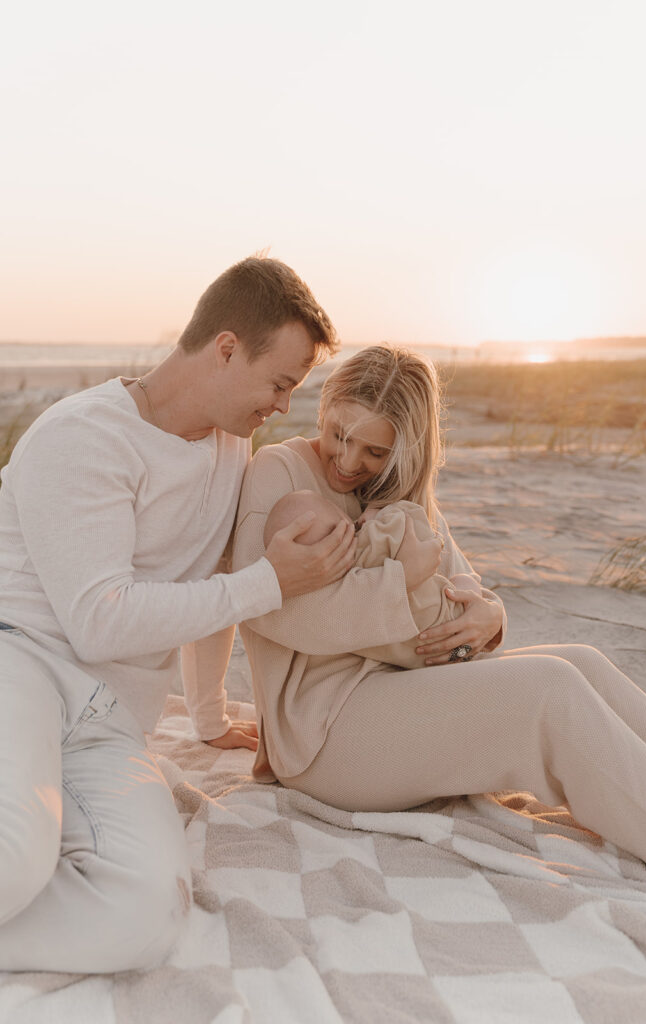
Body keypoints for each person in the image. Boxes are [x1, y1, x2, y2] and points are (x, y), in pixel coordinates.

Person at [232, 344, 646, 886]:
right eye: (340, 434)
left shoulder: (397, 490)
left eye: (374, 450)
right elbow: (270, 609)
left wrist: (488, 620)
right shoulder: (280, 471)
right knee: (549, 692)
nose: (347, 461)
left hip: (402, 691)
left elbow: (466, 585)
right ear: (325, 408)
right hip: (323, 736)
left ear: (406, 450)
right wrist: (400, 581)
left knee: (582, 660)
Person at [0, 256, 357, 973]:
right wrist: (269, 582)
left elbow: (208, 578)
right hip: (20, 667)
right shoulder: (83, 435)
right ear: (225, 348)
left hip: (108, 721)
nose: (283, 405)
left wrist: (208, 716)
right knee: (16, 855)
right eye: (280, 383)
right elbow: (101, 620)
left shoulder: (230, 445)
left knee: (147, 913)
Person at [263, 488, 495, 669]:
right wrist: (380, 513)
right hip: (447, 626)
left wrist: (495, 618)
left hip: (431, 655)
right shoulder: (367, 545)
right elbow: (417, 526)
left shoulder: (339, 583)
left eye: (374, 452)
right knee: (463, 582)